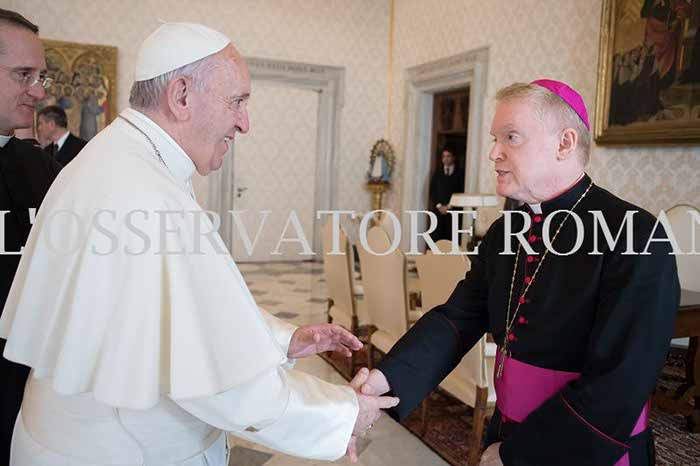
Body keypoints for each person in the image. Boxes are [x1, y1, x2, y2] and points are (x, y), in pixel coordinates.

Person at [0, 21, 397, 465]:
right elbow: (220, 383)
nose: (244, 122)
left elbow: (184, 314)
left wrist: (283, 339)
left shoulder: (122, 158)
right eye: (237, 101)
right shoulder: (144, 191)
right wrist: (343, 413)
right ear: (182, 95)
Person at [356, 79, 680, 466]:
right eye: (495, 139)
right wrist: (383, 381)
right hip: (508, 431)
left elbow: (619, 386)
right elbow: (456, 319)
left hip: (576, 448)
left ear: (565, 143)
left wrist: (518, 455)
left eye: (511, 137)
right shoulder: (505, 232)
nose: (493, 153)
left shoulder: (636, 235)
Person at [0, 8, 62, 465]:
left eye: (40, 76)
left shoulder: (35, 165)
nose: (39, 92)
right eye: (24, 75)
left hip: (23, 385)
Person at [429, 147, 464, 242]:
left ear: (453, 157)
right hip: (438, 212)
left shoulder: (460, 173)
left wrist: (449, 206)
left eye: (448, 156)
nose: (446, 159)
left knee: (451, 239)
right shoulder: (438, 172)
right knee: (437, 239)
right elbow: (433, 191)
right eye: (444, 156)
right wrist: (439, 206)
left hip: (453, 212)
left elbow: (461, 192)